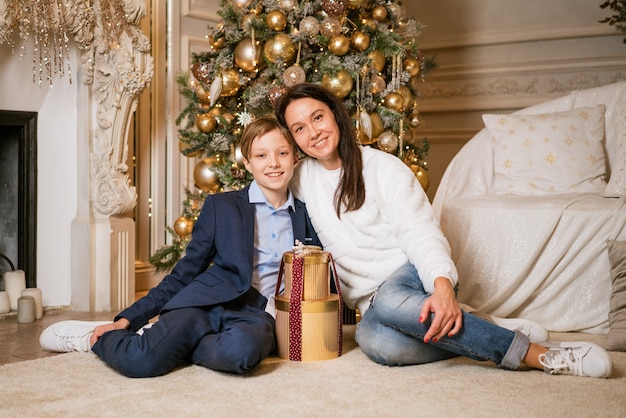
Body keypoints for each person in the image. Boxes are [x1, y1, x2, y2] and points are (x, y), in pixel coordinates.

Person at [274, 83, 613, 378]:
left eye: (317, 117)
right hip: (374, 302)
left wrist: (441, 286)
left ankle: (535, 354)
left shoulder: (382, 168)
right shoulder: (301, 179)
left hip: (416, 274)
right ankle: (487, 328)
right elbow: (265, 186)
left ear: (335, 114)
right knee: (378, 344)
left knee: (391, 301)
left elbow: (419, 232)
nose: (313, 132)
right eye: (299, 128)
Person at [39, 116, 321, 377]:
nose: (273, 163)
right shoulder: (222, 207)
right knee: (142, 362)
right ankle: (93, 338)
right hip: (204, 303)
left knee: (241, 355)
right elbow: (185, 272)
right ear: (247, 163)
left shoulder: (307, 215)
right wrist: (128, 319)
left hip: (257, 314)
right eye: (261, 155)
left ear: (295, 158)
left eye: (282, 153)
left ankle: (173, 343)